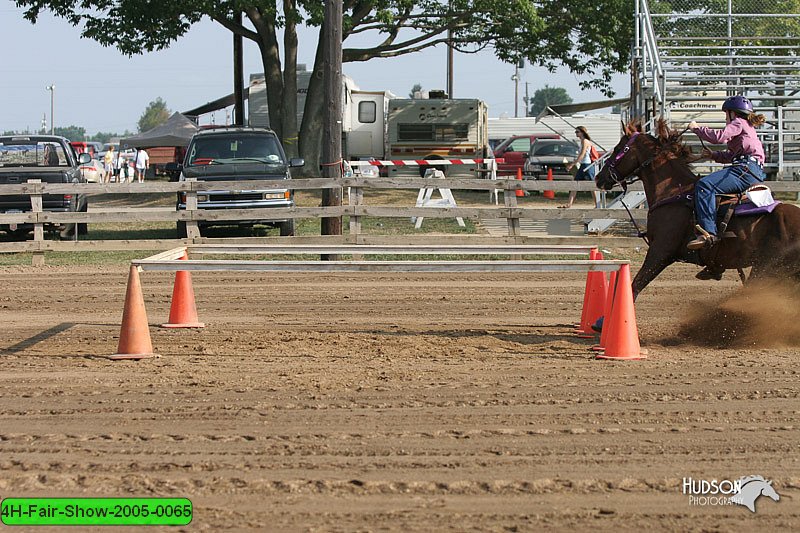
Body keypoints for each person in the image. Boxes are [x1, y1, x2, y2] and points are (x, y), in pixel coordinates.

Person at [687, 95, 766, 250]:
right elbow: (731, 156)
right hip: (752, 171)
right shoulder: (748, 127)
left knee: (705, 185)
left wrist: (696, 128)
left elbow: (720, 137)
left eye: (726, 114)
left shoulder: (739, 122)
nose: (726, 118)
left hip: (743, 170)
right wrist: (713, 155)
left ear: (733, 113)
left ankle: (708, 233)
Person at [561, 126, 600, 208]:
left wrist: (572, 164)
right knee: (575, 184)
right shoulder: (582, 141)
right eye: (576, 132)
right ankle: (569, 204)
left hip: (587, 165)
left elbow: (582, 155)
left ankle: (597, 204)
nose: (576, 133)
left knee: (592, 186)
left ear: (582, 132)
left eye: (577, 132)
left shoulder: (585, 141)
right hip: (583, 165)